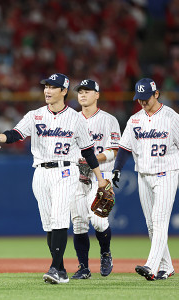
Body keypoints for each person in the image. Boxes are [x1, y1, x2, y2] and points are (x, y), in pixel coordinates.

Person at [0, 73, 110, 284]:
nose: (47, 90)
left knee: (59, 219)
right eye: (46, 86)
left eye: (53, 87)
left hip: (66, 171)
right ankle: (61, 269)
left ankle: (55, 268)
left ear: (64, 91)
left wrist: (100, 179)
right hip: (40, 172)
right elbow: (16, 134)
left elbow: (89, 152)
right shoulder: (35, 115)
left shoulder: (75, 118)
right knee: (48, 224)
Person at [113, 78, 179, 281]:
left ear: (156, 94)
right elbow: (125, 147)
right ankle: (167, 266)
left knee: (159, 221)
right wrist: (117, 169)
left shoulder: (172, 117)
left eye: (146, 98)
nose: (142, 102)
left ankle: (151, 267)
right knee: (151, 225)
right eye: (139, 98)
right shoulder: (135, 119)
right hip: (143, 175)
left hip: (166, 174)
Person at [72, 79, 121, 278]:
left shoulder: (109, 120)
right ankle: (83, 267)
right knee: (78, 222)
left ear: (97, 95)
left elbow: (115, 150)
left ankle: (105, 253)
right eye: (80, 91)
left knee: (99, 221)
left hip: (102, 174)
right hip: (76, 175)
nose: (82, 94)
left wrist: (92, 159)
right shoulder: (71, 119)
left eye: (87, 91)